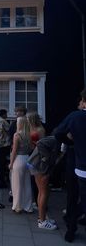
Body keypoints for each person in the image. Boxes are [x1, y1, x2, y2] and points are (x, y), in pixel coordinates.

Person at [54, 88, 86, 241]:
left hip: (78, 162)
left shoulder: (75, 117)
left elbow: (58, 133)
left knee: (73, 195)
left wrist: (71, 142)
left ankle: (71, 228)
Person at [9, 116, 32, 213]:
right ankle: (28, 206)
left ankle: (17, 206)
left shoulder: (17, 135)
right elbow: (31, 148)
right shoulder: (29, 134)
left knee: (16, 184)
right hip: (27, 158)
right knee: (27, 184)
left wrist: (11, 163)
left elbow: (14, 150)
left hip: (18, 159)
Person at [27, 112, 45, 206]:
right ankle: (34, 199)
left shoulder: (40, 129)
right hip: (29, 152)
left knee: (36, 178)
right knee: (31, 178)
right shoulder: (30, 128)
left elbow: (41, 143)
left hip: (36, 153)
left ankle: (39, 203)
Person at [0, 109, 10, 188]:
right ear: (3, 114)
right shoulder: (4, 121)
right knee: (3, 164)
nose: (7, 115)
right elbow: (9, 130)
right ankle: (2, 182)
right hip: (5, 144)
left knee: (0, 164)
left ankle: (0, 181)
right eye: (6, 114)